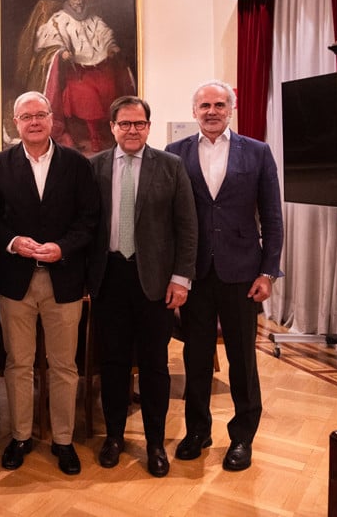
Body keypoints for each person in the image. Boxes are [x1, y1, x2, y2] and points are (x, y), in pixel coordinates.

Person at [165, 80, 284, 472]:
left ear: (230, 109)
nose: (212, 111)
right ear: (194, 111)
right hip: (195, 274)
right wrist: (175, 274)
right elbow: (169, 221)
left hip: (241, 274)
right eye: (204, 106)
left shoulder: (258, 152)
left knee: (242, 360)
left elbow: (272, 217)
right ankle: (198, 431)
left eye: (219, 104)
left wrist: (268, 272)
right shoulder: (175, 154)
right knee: (195, 357)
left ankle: (242, 437)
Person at [0, 90, 97, 475]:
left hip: (63, 280)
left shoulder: (77, 164)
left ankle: (63, 440)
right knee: (19, 364)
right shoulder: (0, 165)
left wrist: (61, 248)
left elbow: (89, 221)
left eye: (40, 114)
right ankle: (20, 436)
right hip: (15, 281)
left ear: (52, 119)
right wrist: (14, 242)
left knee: (64, 365)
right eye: (25, 116)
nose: (33, 121)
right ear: (15, 123)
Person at [87, 96, 198, 477]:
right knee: (113, 363)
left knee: (154, 366)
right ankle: (114, 437)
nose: (132, 130)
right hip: (110, 278)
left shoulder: (171, 166)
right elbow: (87, 228)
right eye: (124, 124)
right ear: (112, 127)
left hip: (156, 282)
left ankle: (154, 442)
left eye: (139, 124)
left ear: (148, 127)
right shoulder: (95, 167)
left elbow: (187, 226)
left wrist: (182, 278)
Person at [29, 0, 136, 153]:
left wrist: (110, 46)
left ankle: (107, 133)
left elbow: (105, 34)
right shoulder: (59, 19)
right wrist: (61, 51)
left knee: (109, 88)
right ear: (70, 1)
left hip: (96, 67)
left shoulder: (94, 19)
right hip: (75, 70)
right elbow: (48, 39)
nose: (78, 2)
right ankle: (93, 136)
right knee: (86, 95)